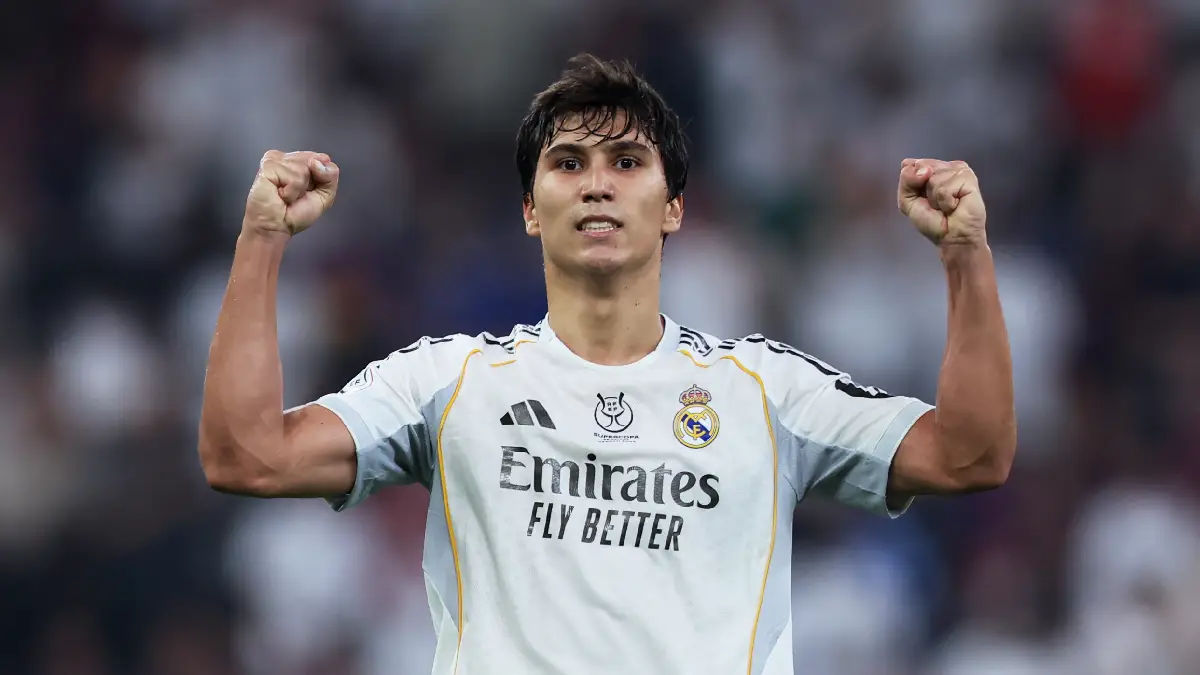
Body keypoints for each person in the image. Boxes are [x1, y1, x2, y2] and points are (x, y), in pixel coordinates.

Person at [198, 54, 1016, 674]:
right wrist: (263, 238)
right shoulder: (446, 383)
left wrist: (965, 257)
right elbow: (247, 455)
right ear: (529, 209)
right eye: (567, 164)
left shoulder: (768, 392)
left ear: (673, 208)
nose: (597, 184)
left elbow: (970, 453)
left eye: (627, 162)